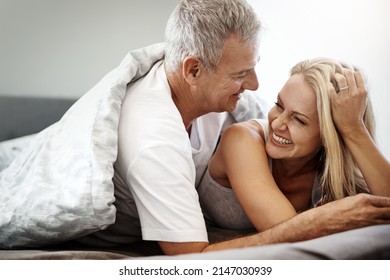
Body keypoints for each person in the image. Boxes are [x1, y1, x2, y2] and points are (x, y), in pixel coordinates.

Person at [75, 0, 390, 256]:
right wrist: (323, 221)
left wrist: (353, 127)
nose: (254, 85)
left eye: (298, 118)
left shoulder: (227, 101)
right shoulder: (153, 141)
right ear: (194, 70)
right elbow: (190, 257)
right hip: (104, 231)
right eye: (242, 73)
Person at [198, 58, 390, 233]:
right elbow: (290, 234)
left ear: (329, 135)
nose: (276, 124)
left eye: (298, 120)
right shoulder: (241, 139)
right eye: (279, 105)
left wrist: (353, 128)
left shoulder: (332, 173)